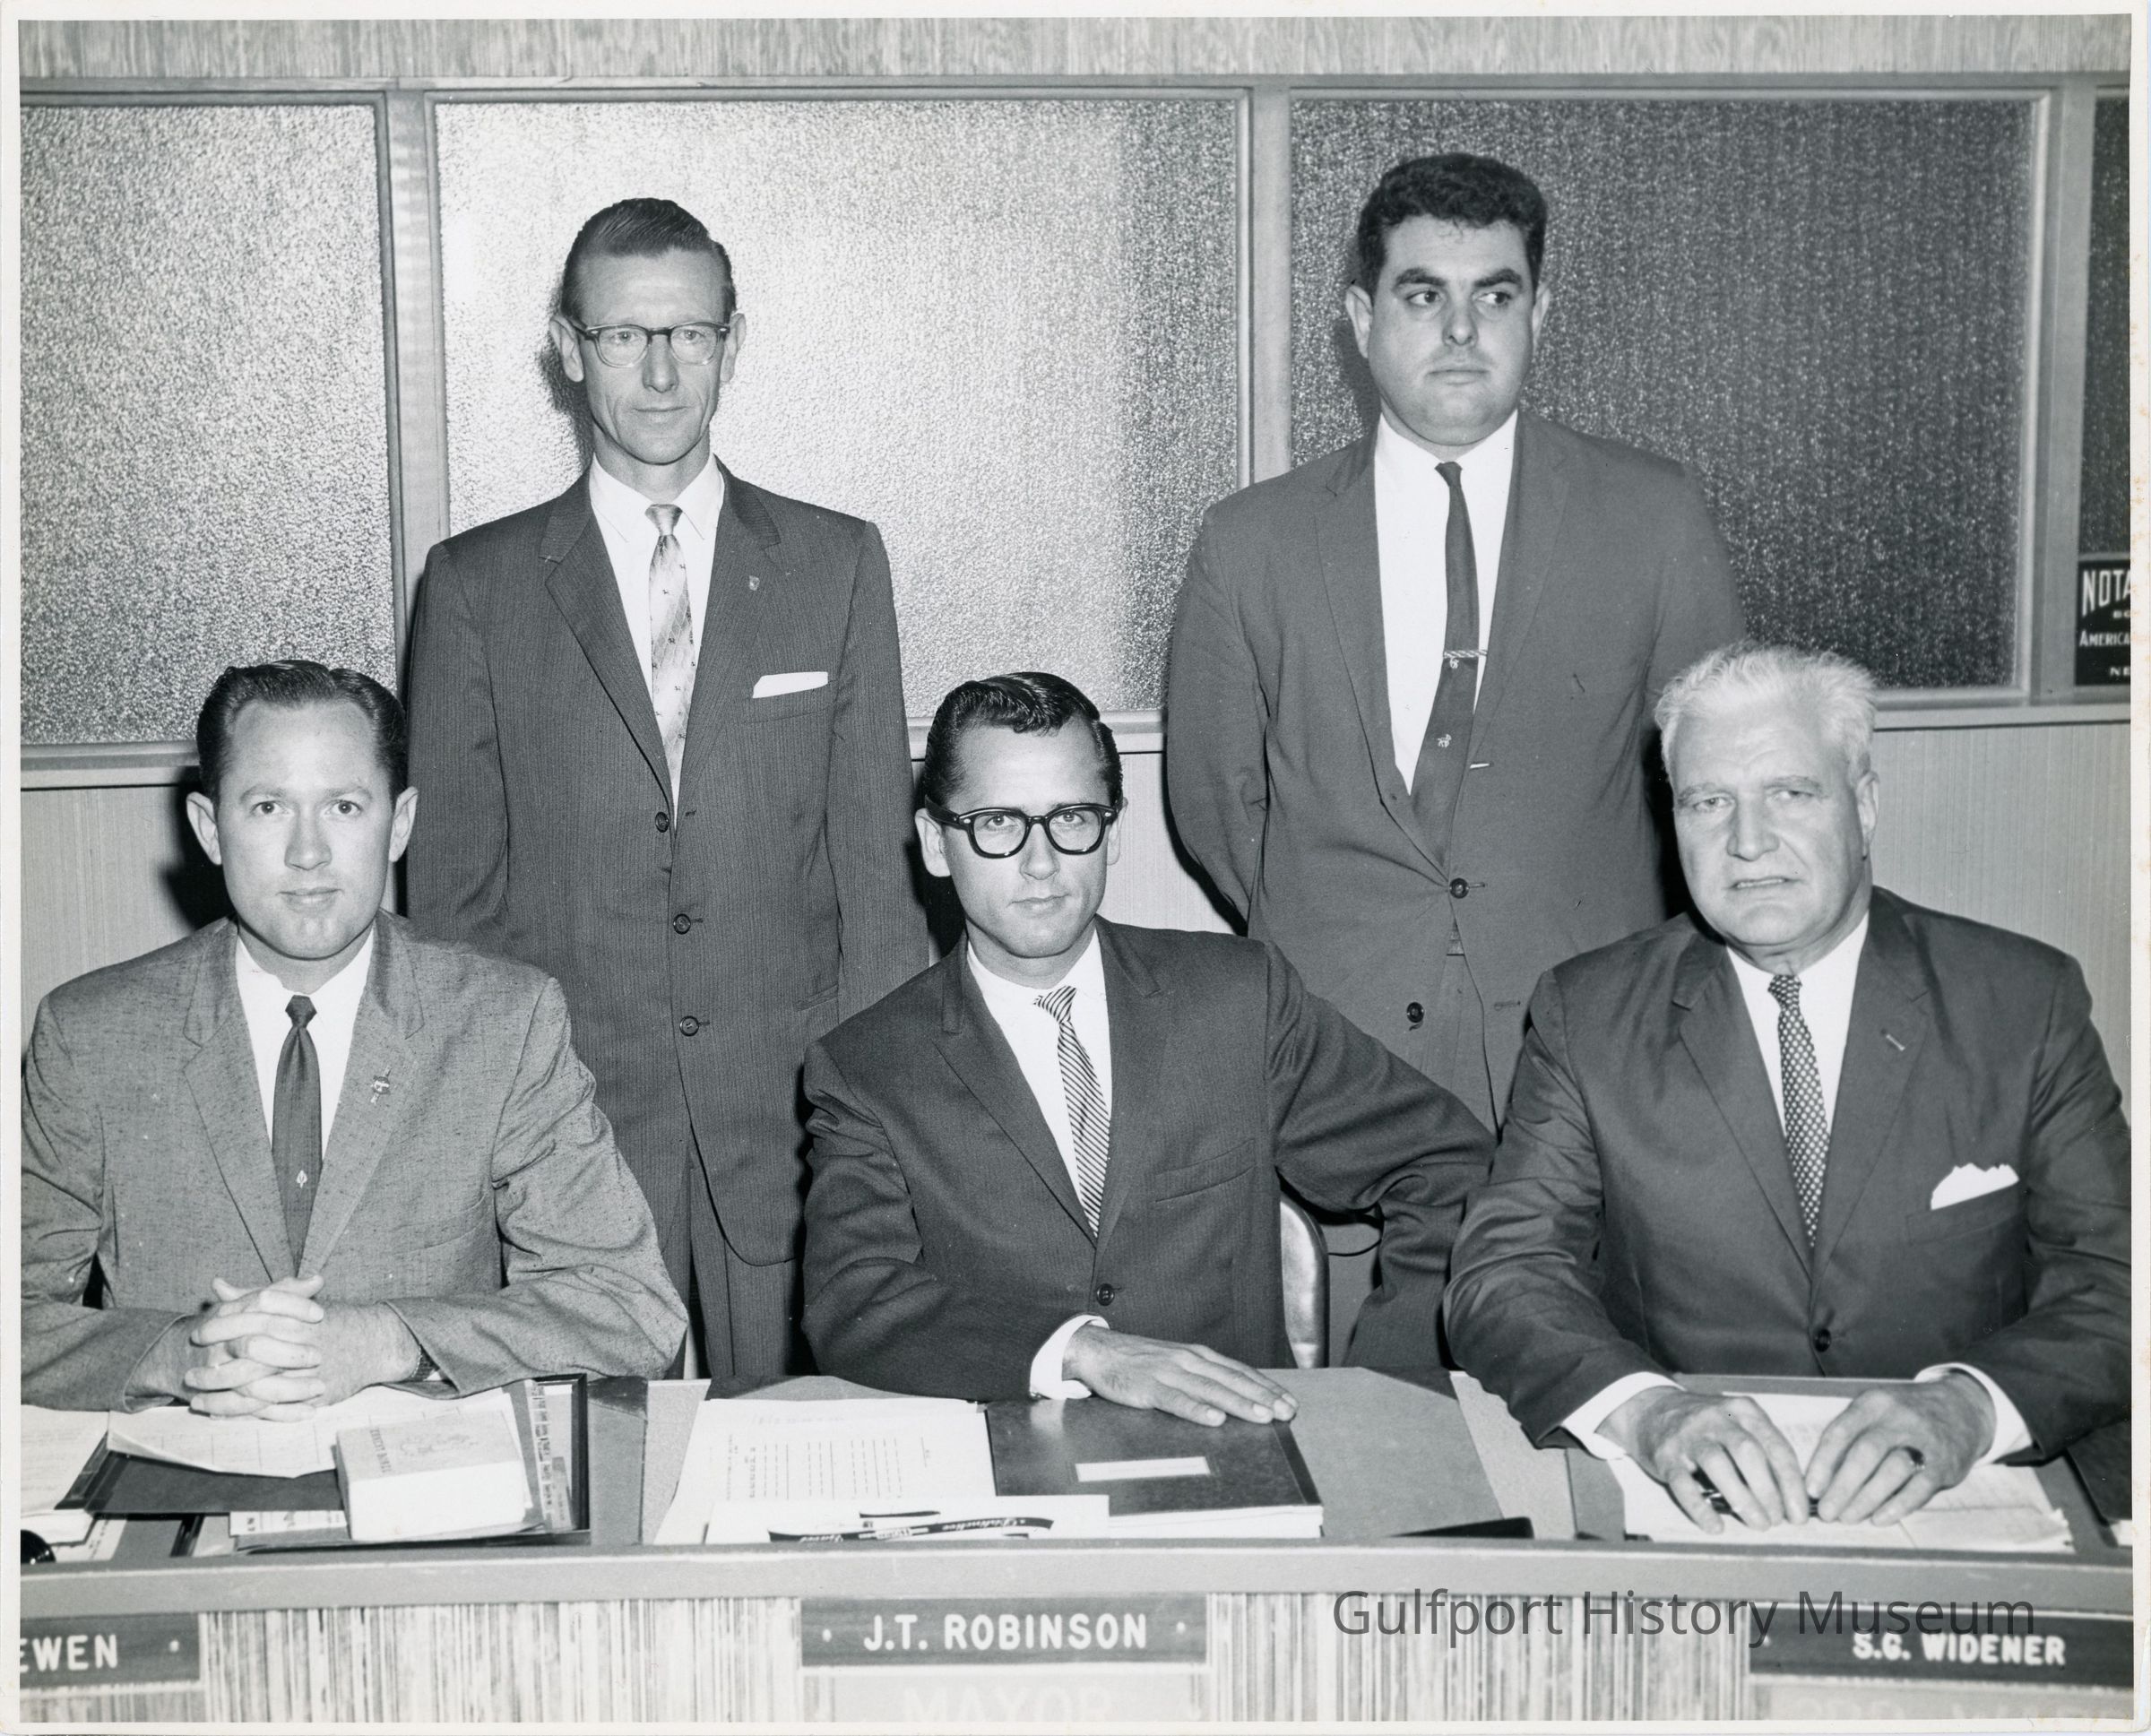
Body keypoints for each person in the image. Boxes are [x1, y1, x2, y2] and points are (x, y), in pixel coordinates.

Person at [403, 197, 927, 1378]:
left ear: (732, 345)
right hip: (571, 1142)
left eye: (689, 334)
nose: (657, 372)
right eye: (622, 335)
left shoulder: (838, 563)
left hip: (792, 1132)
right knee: (600, 1472)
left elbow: (878, 880)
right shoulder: (476, 587)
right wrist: (499, 1139)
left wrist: (877, 1125)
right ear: (566, 347)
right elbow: (452, 906)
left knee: (806, 1459)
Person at [1444, 643, 2129, 1532]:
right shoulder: (1590, 1014)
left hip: (1969, 1495)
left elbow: (2118, 1279)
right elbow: (1505, 1271)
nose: (1748, 841)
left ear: (1865, 805)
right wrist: (1645, 1412)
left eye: (1791, 793)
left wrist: (1972, 1403)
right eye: (1709, 801)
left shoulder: (2022, 1003)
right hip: (1691, 1506)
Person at [1167, 152, 1743, 1127]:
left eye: (1496, 296)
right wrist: (1346, 935)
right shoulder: (1250, 541)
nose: (1463, 330)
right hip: (1338, 1058)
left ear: (1540, 315)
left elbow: (1716, 783)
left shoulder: (1654, 516)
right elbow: (1217, 804)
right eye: (1425, 295)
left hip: (1591, 1058)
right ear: (1362, 319)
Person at [800, 672, 1492, 1421]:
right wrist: (1077, 1351)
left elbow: (1449, 1166)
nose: (1042, 862)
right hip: (1011, 1455)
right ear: (939, 843)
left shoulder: (1238, 999)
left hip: (1240, 1447)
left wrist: (1384, 1384)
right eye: (998, 822)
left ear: (1114, 830)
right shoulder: (868, 1066)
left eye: (1072, 817)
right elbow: (851, 1296)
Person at [22, 661, 686, 1414]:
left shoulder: (503, 1022)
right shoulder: (90, 1034)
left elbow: (629, 1307)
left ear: (398, 824)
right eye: (268, 807)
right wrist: (179, 1354)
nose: (308, 852)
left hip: (426, 1470)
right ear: (210, 829)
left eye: (343, 806)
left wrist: (386, 1340)